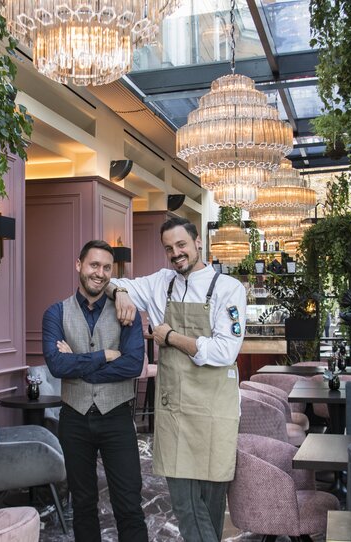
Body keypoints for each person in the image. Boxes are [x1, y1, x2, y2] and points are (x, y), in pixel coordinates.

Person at [106, 217, 246, 542]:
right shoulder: (160, 283)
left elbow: (225, 351)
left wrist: (169, 337)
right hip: (174, 412)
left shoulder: (229, 289)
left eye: (181, 245)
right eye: (169, 248)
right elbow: (110, 282)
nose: (176, 253)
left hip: (214, 413)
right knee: (184, 504)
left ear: (198, 243)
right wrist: (123, 294)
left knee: (210, 506)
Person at [42, 240, 147, 542]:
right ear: (79, 265)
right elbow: (57, 366)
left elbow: (132, 366)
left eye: (105, 267)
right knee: (84, 505)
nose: (99, 273)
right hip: (73, 420)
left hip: (116, 419)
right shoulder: (55, 313)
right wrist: (105, 355)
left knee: (128, 505)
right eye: (93, 265)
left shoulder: (127, 312)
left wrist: (77, 363)